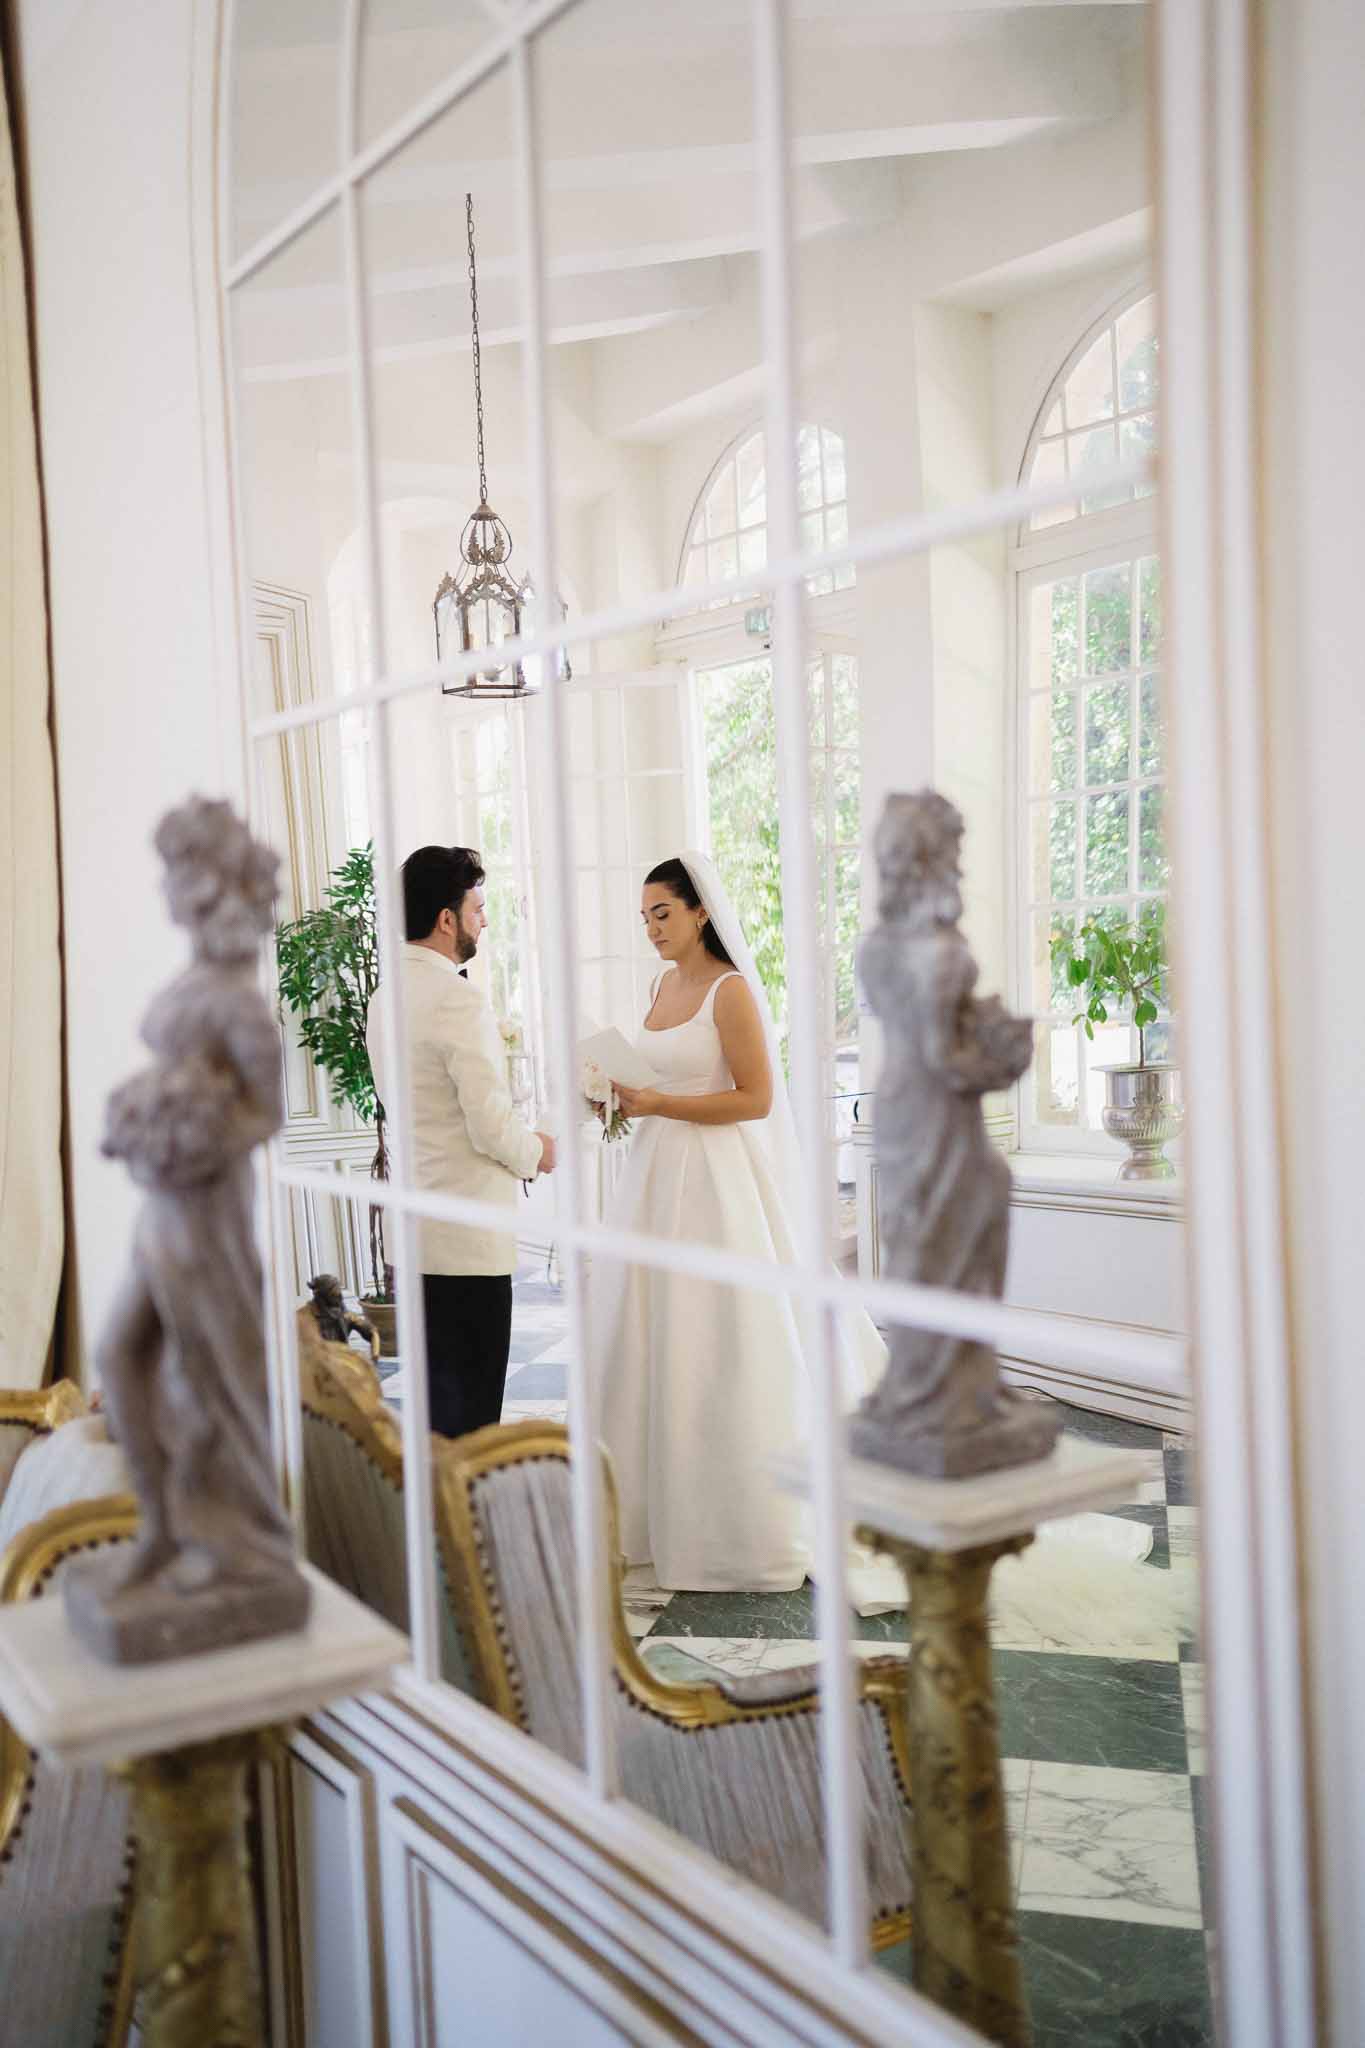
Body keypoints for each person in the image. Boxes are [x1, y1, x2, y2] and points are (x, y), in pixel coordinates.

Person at [592, 853, 895, 1603]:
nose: (652, 929)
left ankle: (743, 1522)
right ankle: (643, 1514)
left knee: (724, 1335)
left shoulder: (729, 991)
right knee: (650, 1332)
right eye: (644, 918)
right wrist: (616, 1095)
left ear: (700, 912)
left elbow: (756, 1099)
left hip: (717, 1183)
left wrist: (660, 1104)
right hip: (655, 1176)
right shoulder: (660, 986)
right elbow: (657, 1076)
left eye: (662, 913)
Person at [367, 845, 556, 1438]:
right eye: (477, 908)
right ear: (446, 919)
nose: (483, 921)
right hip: (468, 1239)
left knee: (434, 1414)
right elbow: (489, 1123)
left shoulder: (382, 997)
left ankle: (437, 1523)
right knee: (475, 1416)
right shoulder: (457, 996)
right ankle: (470, 1524)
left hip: (418, 1236)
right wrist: (538, 1151)